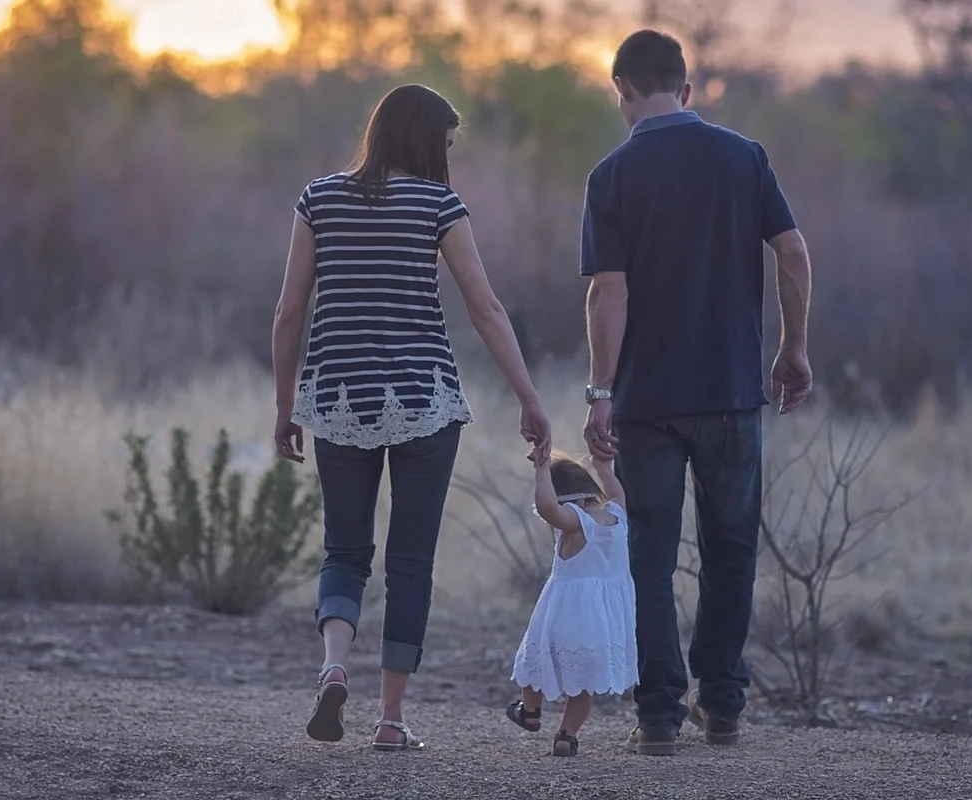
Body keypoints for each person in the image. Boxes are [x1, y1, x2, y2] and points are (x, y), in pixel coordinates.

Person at [271, 83, 552, 752]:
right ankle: (391, 720)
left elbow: (288, 313)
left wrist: (286, 407)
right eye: (447, 144)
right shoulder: (438, 204)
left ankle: (335, 665)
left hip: (338, 398)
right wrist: (529, 397)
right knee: (410, 562)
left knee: (344, 550)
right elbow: (485, 308)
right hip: (425, 400)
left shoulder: (318, 199)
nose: (448, 157)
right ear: (427, 140)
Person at [580, 30, 814, 755]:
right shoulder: (743, 157)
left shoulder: (612, 174)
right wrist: (794, 346)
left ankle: (657, 716)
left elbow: (607, 294)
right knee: (732, 549)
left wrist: (599, 390)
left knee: (649, 556)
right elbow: (794, 252)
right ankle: (723, 704)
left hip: (648, 402)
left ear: (621, 88)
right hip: (733, 392)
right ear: (687, 88)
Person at [506, 451, 638, 757]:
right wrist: (604, 467)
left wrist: (541, 471)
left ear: (564, 497)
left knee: (533, 663)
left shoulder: (575, 522)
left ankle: (530, 712)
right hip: (604, 620)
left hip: (566, 613)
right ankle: (566, 736)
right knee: (584, 683)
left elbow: (548, 507)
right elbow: (617, 492)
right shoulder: (617, 516)